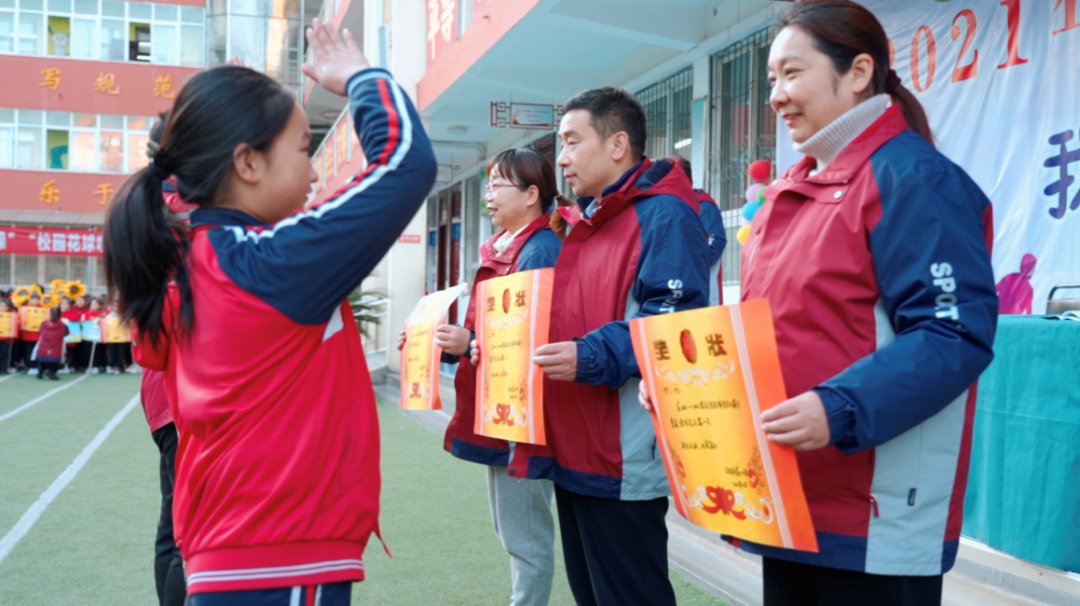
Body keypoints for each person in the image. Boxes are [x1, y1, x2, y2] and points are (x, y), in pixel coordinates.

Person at [106, 18, 435, 605]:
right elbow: (405, 164)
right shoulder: (266, 265)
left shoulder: (197, 260)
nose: (313, 172)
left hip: (235, 552)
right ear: (247, 164)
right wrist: (361, 76)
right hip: (279, 558)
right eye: (304, 148)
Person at [735, 2, 998, 604]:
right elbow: (773, 330)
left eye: (792, 73)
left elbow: (952, 333)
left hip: (875, 509)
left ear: (857, 72)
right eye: (771, 79)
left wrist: (840, 406)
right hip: (793, 495)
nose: (777, 94)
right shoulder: (787, 193)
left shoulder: (914, 178)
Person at [515, 87, 710, 605]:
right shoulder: (588, 219)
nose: (561, 157)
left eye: (572, 141)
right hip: (575, 444)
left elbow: (673, 323)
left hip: (621, 453)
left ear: (618, 144)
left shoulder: (664, 215)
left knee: (629, 594)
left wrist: (589, 354)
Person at [438, 148, 562, 606]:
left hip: (525, 414)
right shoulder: (513, 247)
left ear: (532, 195)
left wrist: (469, 341)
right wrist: (464, 341)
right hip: (505, 406)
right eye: (487, 184)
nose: (488, 195)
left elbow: (532, 339)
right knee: (513, 528)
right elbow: (499, 334)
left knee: (525, 534)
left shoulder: (540, 250)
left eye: (498, 185)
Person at [674, 156, 726, 305]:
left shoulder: (704, 206)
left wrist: (687, 263)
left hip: (704, 294)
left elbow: (716, 242)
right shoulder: (674, 206)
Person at [32, 306, 68, 380]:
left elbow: (40, 331)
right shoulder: (63, 325)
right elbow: (67, 333)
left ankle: (40, 372)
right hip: (56, 347)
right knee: (55, 362)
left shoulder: (44, 323)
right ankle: (51, 372)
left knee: (42, 360)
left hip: (43, 346)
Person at [18, 293, 42, 375]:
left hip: (39, 334)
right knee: (29, 351)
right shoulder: (24, 309)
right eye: (33, 299)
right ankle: (30, 366)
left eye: (36, 299)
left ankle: (38, 366)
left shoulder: (43, 308)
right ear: (30, 300)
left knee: (38, 351)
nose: (35, 301)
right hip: (28, 334)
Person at [0, 297, 17, 373]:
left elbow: (15, 325)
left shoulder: (12, 315)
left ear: (8, 307)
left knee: (5, 354)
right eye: (0, 306)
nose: (2, 308)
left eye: (4, 306)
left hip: (7, 338)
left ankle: (5, 368)